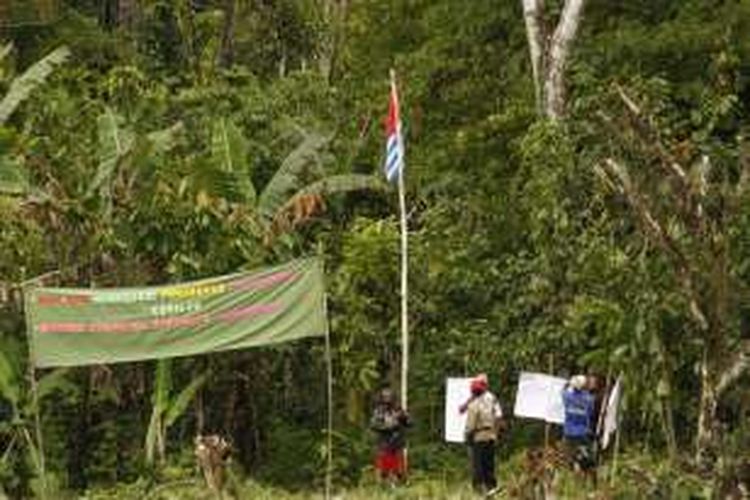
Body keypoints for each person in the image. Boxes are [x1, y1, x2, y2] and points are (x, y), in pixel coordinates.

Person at [464, 373, 503, 497]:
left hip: (478, 436)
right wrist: (496, 433)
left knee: (478, 464)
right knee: (489, 462)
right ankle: (491, 486)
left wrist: (467, 437)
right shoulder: (492, 398)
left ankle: (479, 489)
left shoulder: (473, 403)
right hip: (490, 434)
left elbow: (470, 426)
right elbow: (498, 416)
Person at [370, 388, 410, 484]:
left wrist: (404, 418)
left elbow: (409, 423)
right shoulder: (379, 411)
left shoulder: (398, 409)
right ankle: (384, 486)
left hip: (397, 444)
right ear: (382, 399)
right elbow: (373, 425)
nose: (388, 400)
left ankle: (399, 485)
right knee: (384, 471)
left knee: (399, 471)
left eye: (390, 397)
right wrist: (388, 427)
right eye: (386, 398)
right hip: (385, 444)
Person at [562, 375, 596, 474]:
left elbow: (564, 389)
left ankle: (574, 474)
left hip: (569, 432)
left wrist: (570, 383)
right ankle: (584, 474)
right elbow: (591, 412)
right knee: (585, 459)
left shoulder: (566, 396)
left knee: (571, 458)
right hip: (583, 433)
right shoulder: (589, 399)